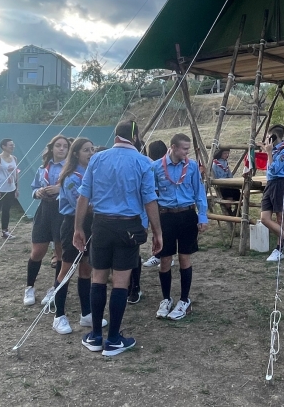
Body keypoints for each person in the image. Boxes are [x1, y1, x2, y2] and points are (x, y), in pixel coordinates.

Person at [74, 120, 162, 356]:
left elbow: (83, 196)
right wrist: (157, 232)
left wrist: (78, 228)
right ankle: (113, 339)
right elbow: (149, 200)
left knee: (98, 279)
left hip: (101, 224)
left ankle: (95, 336)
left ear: (116, 136)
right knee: (120, 283)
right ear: (135, 136)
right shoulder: (143, 162)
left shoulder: (97, 159)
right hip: (128, 226)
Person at [51, 138, 106, 335]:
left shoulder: (93, 173)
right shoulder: (71, 178)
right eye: (86, 150)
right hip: (73, 225)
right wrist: (107, 201)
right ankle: (59, 316)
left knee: (86, 269)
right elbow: (82, 205)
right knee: (67, 270)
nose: (91, 153)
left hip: (91, 225)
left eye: (92, 149)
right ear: (75, 154)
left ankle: (86, 313)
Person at [152, 133, 208, 320]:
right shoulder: (156, 167)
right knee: (165, 259)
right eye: (184, 149)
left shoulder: (191, 166)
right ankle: (166, 299)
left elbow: (199, 192)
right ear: (173, 147)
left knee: (185, 257)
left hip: (187, 215)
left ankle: (184, 300)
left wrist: (202, 216)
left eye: (188, 149)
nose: (187, 152)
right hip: (166, 217)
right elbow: (151, 195)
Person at [23, 135, 70, 306]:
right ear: (52, 148)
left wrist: (60, 189)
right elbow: (34, 188)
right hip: (44, 210)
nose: (61, 148)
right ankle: (29, 287)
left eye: (65, 146)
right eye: (58, 145)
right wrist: (37, 192)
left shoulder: (71, 169)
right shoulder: (43, 168)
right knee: (37, 251)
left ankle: (55, 289)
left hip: (62, 211)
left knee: (60, 252)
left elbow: (78, 189)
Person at [259, 124, 284, 262]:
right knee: (264, 218)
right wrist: (268, 151)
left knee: (280, 217)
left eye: (268, 136)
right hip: (270, 183)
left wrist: (269, 153)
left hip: (280, 183)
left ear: (274, 136)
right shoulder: (274, 150)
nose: (267, 139)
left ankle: (279, 249)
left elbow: (274, 169)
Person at [142, 140, 171, 270]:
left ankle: (161, 256)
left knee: (160, 229)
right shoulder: (155, 165)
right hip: (160, 201)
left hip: (161, 202)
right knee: (158, 229)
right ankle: (161, 255)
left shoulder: (159, 166)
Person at [211, 147, 240, 215]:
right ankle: (229, 210)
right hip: (220, 185)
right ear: (220, 154)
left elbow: (229, 175)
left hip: (228, 184)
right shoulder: (215, 164)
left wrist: (231, 180)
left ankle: (237, 210)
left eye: (228, 153)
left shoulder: (225, 163)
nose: (227, 155)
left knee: (237, 192)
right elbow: (214, 176)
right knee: (228, 193)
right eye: (225, 153)